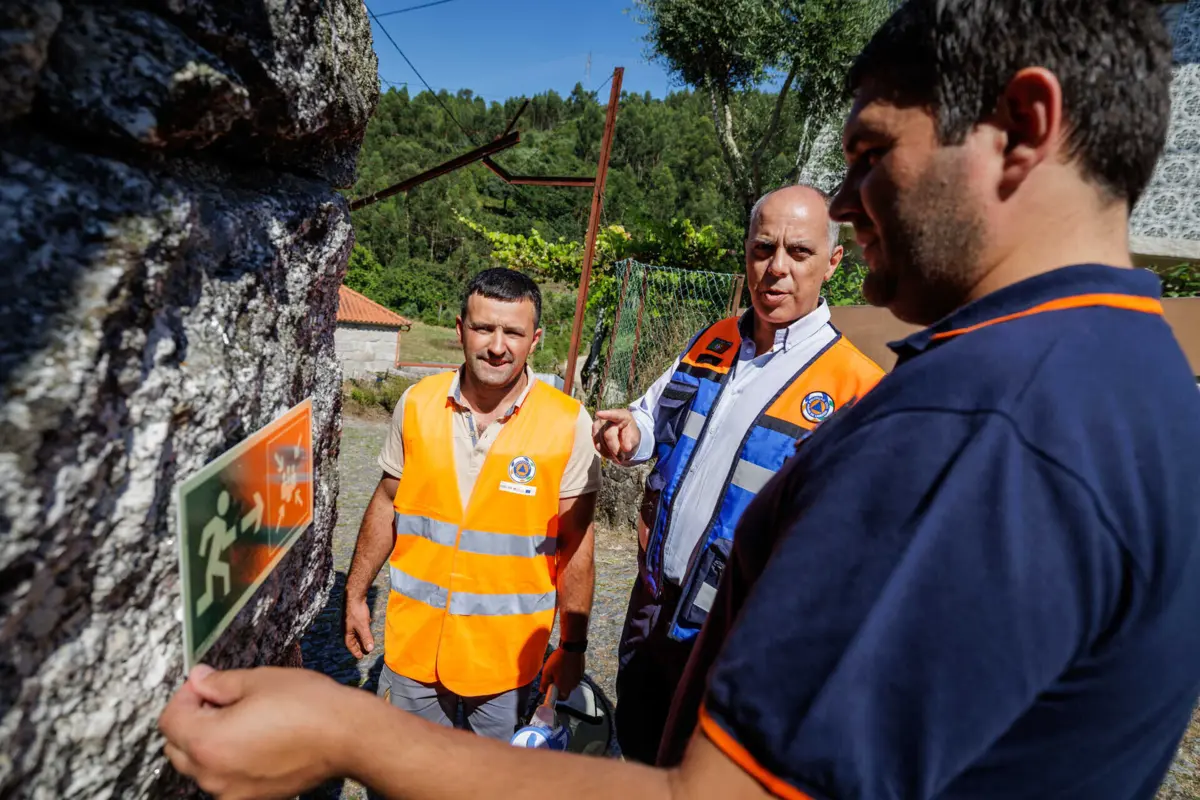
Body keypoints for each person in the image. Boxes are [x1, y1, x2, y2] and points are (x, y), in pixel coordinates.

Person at [159, 2, 1200, 798]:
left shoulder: (972, 424)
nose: (842, 203)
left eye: (873, 153)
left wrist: (346, 733)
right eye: (769, 242)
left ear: (1022, 124)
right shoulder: (1135, 378)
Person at [592, 184, 884, 763]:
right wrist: (632, 432)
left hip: (737, 630)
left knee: (702, 768)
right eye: (762, 248)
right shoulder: (715, 341)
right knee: (640, 744)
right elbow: (656, 418)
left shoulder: (857, 388)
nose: (776, 269)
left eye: (798, 252)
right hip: (653, 601)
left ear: (832, 262)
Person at [340, 268, 600, 740]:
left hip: (508, 663)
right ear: (460, 329)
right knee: (415, 777)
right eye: (484, 328)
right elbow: (386, 500)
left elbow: (577, 544)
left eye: (513, 332)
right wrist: (356, 593)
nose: (497, 346)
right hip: (415, 650)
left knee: (493, 783)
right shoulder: (416, 404)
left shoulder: (567, 423)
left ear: (535, 339)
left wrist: (574, 645)